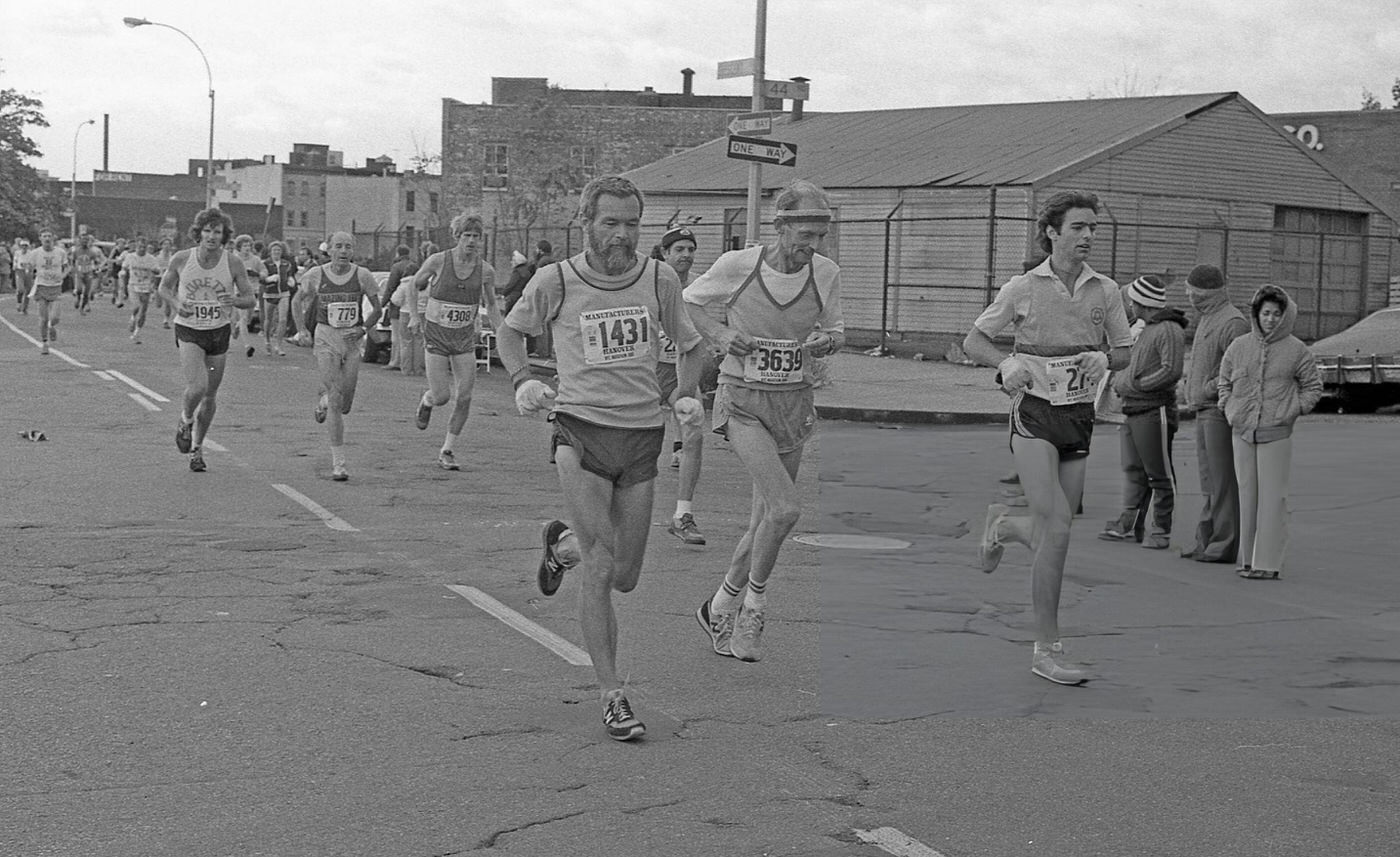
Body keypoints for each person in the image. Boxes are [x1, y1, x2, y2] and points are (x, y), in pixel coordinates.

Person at [497, 175, 705, 742]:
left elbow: (691, 343)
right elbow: (510, 332)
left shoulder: (659, 278)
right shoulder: (555, 280)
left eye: (632, 224)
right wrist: (521, 380)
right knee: (603, 560)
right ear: (586, 222)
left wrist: (684, 394)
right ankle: (614, 695)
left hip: (641, 435)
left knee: (628, 577)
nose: (622, 235)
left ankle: (559, 547)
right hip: (580, 429)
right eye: (610, 222)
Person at [961, 190, 1133, 685]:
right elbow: (975, 340)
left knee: (1053, 532)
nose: (1088, 236)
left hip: (1078, 418)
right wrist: (1007, 362)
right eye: (1078, 227)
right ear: (1052, 232)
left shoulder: (1106, 291)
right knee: (1056, 527)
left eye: (1093, 228)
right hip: (1033, 416)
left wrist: (1105, 359)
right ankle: (1046, 649)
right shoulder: (1023, 287)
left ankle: (1002, 528)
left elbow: (1124, 350)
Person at [686, 183, 845, 663]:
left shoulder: (826, 273)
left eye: (820, 236)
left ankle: (718, 606)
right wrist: (720, 333)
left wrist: (825, 343)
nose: (811, 245)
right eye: (804, 234)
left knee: (763, 522)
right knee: (784, 509)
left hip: (793, 403)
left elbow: (837, 331)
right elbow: (689, 303)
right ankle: (753, 608)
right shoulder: (739, 265)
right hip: (743, 400)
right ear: (779, 226)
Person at [1217, 284, 1322, 581]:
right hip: (1242, 431)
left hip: (1276, 434)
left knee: (1273, 499)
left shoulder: (1297, 350)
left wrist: (1292, 409)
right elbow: (1224, 381)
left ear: (1285, 316)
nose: (1271, 319)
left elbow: (1313, 386)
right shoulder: (1239, 347)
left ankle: (1268, 562)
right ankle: (1248, 560)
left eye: (1277, 314)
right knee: (1247, 495)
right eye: (1266, 313)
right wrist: (1229, 407)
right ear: (1256, 314)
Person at [157, 208, 258, 472]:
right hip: (189, 330)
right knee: (198, 386)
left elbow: (250, 298)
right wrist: (178, 305)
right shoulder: (181, 259)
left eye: (217, 232)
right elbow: (164, 288)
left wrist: (234, 300)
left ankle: (197, 449)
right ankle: (185, 419)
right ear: (198, 233)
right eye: (207, 231)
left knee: (211, 395)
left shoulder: (233, 263)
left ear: (224, 236)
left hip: (218, 331)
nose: (212, 236)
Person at [1098, 275, 1186, 550]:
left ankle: (1161, 529)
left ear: (1141, 303)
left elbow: (1171, 371)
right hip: (1134, 409)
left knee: (1158, 472)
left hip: (1153, 409)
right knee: (1135, 469)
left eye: (1132, 301)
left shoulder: (1168, 329)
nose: (1129, 306)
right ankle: (1129, 523)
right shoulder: (1145, 328)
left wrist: (1137, 385)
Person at [409, 214, 504, 471]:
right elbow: (412, 286)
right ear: (457, 237)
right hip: (437, 337)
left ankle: (447, 449)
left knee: (465, 396)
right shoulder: (438, 261)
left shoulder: (485, 270)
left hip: (463, 338)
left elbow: (492, 305)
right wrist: (414, 317)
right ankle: (427, 400)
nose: (472, 241)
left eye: (476, 236)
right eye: (467, 236)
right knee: (442, 396)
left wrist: (503, 332)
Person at [291, 230, 382, 482]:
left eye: (348, 247)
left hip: (351, 341)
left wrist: (363, 329)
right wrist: (301, 330)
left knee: (345, 405)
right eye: (338, 246)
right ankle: (339, 463)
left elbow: (378, 309)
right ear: (328, 250)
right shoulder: (315, 275)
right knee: (336, 397)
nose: (343, 251)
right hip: (325, 338)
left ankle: (322, 402)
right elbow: (297, 301)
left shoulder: (362, 276)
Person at [1180, 264, 1249, 565]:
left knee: (1222, 481)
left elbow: (1237, 371)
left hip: (1218, 411)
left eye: (1191, 291)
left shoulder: (1232, 322)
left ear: (1203, 293)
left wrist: (1206, 388)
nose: (1187, 296)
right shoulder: (1209, 317)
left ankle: (1224, 544)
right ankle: (1206, 540)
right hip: (1204, 409)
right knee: (1209, 481)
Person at [655, 225, 713, 546]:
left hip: (681, 372)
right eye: (679, 250)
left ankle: (682, 515)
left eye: (691, 249)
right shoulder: (652, 281)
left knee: (694, 431)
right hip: (647, 371)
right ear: (665, 254)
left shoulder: (701, 287)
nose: (686, 256)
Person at [25, 231, 71, 355]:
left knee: (55, 317)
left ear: (53, 238)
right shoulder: (35, 253)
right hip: (41, 286)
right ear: (40, 238)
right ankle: (45, 343)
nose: (47, 238)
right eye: (44, 236)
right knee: (43, 318)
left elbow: (67, 267)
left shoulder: (60, 252)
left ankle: (52, 327)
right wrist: (29, 272)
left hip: (55, 287)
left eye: (49, 236)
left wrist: (62, 275)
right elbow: (29, 267)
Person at [121, 237, 163, 344]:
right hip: (133, 285)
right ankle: (132, 318)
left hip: (146, 286)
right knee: (136, 307)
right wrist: (123, 274)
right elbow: (124, 268)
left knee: (143, 311)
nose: (142, 249)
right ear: (136, 247)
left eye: (144, 247)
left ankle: (137, 333)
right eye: (140, 247)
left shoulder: (151, 259)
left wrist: (155, 270)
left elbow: (158, 271)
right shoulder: (130, 257)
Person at [382, 245, 416, 370]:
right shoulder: (415, 265)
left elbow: (390, 288)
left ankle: (395, 361)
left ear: (397, 253)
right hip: (415, 307)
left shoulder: (396, 267)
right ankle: (412, 363)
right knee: (413, 339)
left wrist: (382, 304)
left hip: (398, 306)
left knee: (397, 336)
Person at [260, 240, 296, 356]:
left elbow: (290, 275)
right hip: (270, 293)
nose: (276, 252)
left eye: (279, 250)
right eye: (274, 250)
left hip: (284, 293)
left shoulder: (286, 264)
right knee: (268, 319)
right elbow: (262, 279)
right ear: (270, 252)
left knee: (283, 319)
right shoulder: (265, 263)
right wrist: (269, 279)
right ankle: (267, 341)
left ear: (282, 252)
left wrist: (291, 280)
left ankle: (279, 345)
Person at [232, 234, 264, 358]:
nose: (247, 247)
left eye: (249, 245)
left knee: (248, 318)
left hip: (253, 291)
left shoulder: (256, 259)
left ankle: (235, 328)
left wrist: (255, 273)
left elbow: (264, 272)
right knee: (244, 319)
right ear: (239, 247)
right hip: (239, 292)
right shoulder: (234, 259)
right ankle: (248, 346)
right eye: (244, 245)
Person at [71, 233, 105, 314]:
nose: (85, 241)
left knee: (87, 292)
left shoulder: (92, 252)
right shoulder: (76, 251)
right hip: (79, 273)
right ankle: (78, 298)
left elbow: (97, 261)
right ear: (80, 240)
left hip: (88, 273)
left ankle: (82, 308)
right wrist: (74, 270)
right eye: (83, 239)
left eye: (86, 239)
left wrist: (97, 267)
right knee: (79, 289)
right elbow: (72, 261)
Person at [498, 249, 533, 317]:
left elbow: (511, 284)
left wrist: (504, 293)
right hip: (523, 296)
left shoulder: (517, 272)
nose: (511, 262)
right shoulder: (527, 271)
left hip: (513, 297)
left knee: (508, 315)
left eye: (513, 261)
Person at [154, 237, 177, 328]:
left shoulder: (173, 257)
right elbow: (153, 269)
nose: (167, 246)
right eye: (165, 244)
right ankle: (156, 297)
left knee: (168, 302)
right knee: (158, 304)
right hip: (158, 279)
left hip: (168, 281)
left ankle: (166, 321)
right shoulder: (157, 257)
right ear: (161, 246)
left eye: (168, 244)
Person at [107, 238, 129, 306]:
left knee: (122, 285)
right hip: (115, 269)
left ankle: (120, 299)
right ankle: (114, 296)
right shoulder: (115, 251)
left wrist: (123, 262)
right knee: (115, 286)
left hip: (123, 269)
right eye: (120, 243)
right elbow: (109, 259)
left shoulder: (126, 251)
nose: (122, 245)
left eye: (123, 243)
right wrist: (117, 261)